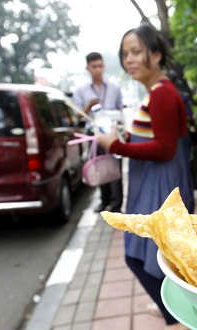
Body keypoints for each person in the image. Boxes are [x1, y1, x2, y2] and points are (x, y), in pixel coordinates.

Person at [96, 23, 194, 330]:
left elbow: (165, 149)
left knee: (138, 255)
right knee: (155, 253)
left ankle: (175, 320)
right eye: (125, 54)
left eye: (136, 52)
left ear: (156, 54)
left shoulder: (163, 94)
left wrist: (115, 146)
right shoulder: (157, 91)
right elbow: (158, 138)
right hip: (154, 182)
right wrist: (127, 139)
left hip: (160, 184)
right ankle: (167, 304)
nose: (129, 60)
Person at [72, 52, 124, 213]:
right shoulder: (81, 91)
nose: (98, 70)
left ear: (104, 66)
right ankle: (104, 200)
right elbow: (77, 114)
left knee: (114, 166)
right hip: (94, 134)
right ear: (88, 68)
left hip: (112, 132)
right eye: (94, 66)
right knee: (99, 166)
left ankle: (116, 204)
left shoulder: (114, 88)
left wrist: (111, 114)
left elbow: (120, 109)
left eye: (100, 66)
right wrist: (89, 105)